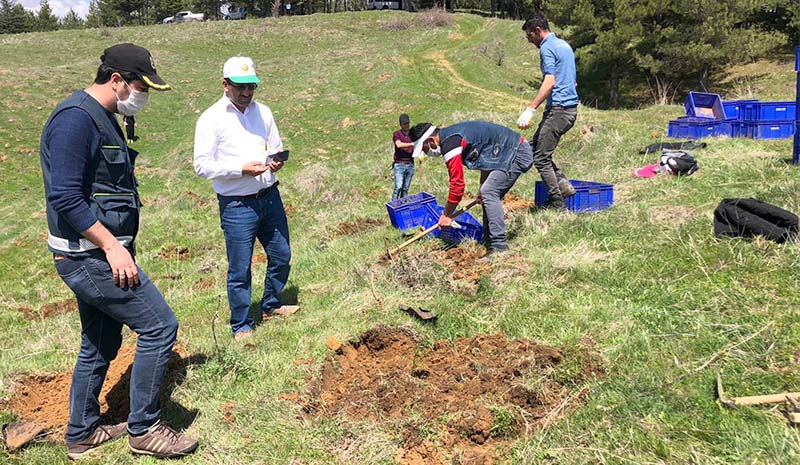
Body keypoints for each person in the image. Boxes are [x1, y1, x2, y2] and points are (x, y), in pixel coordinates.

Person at [39, 43, 198, 459]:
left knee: (99, 343)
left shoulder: (102, 117)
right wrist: (112, 247)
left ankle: (82, 433)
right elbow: (66, 197)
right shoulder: (76, 121)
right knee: (160, 326)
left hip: (95, 254)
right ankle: (144, 430)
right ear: (115, 80)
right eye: (139, 85)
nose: (141, 95)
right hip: (88, 257)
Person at [194, 56, 298, 342]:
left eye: (251, 86)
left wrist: (275, 162)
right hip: (237, 205)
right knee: (240, 268)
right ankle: (240, 324)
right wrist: (240, 170)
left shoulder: (263, 112)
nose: (247, 92)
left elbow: (274, 147)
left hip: (269, 196)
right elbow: (201, 165)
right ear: (225, 84)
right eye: (240, 87)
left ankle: (271, 304)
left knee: (282, 255)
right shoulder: (210, 119)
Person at [409, 120, 533, 255]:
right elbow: (488, 159)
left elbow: (457, 185)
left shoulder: (451, 143)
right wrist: (481, 187)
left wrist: (446, 215)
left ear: (430, 141)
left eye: (424, 149)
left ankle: (499, 246)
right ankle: (488, 240)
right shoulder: (452, 136)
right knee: (485, 192)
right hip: (506, 154)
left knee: (489, 192)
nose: (426, 153)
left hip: (516, 152)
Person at [517, 13, 579, 210]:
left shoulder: (547, 48)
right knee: (536, 147)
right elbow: (571, 79)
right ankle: (562, 185)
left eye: (529, 37)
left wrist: (530, 108)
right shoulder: (564, 45)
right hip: (568, 109)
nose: (529, 41)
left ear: (537, 31)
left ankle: (557, 203)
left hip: (559, 111)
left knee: (541, 158)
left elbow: (550, 81)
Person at [391, 113, 415, 200]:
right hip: (399, 164)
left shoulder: (413, 134)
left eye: (408, 123)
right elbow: (398, 144)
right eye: (404, 124)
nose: (406, 125)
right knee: (398, 186)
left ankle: (403, 205)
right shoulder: (397, 134)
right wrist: (411, 144)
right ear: (400, 124)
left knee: (405, 188)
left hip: (410, 164)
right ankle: (394, 204)